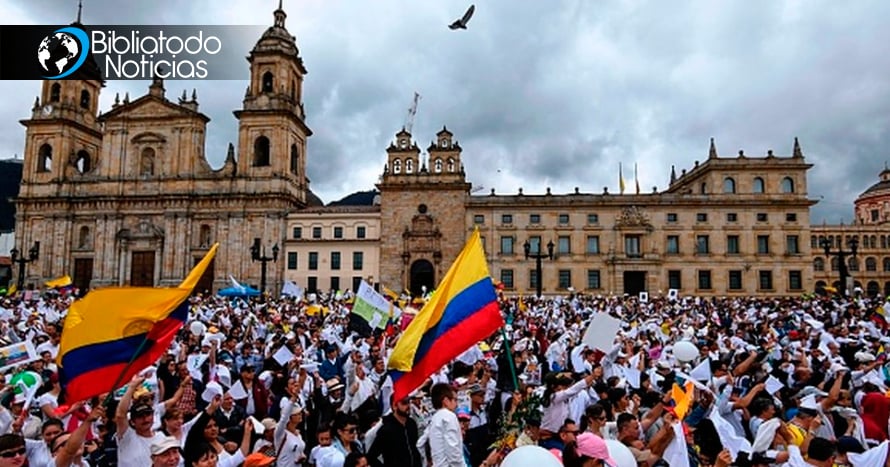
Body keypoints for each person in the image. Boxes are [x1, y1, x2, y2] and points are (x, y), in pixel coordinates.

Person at [366, 396, 421, 467]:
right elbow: (371, 456)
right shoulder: (386, 430)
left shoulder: (411, 424)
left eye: (408, 402)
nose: (408, 406)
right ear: (394, 406)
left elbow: (415, 448)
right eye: (404, 403)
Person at [427, 382, 464, 467]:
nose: (457, 404)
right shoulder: (449, 416)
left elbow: (421, 443)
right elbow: (453, 450)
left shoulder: (434, 418)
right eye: (455, 400)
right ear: (446, 401)